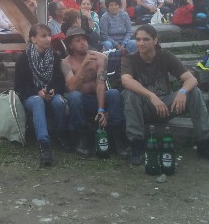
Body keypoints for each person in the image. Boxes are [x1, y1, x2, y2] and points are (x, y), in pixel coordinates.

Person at [120, 24, 209, 165]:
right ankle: (137, 146)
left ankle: (205, 144)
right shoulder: (130, 59)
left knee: (194, 92)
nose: (141, 43)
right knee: (130, 93)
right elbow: (126, 81)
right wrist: (151, 96)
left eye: (145, 39)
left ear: (155, 40)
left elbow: (192, 79)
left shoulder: (166, 56)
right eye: (138, 39)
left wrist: (182, 91)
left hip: (166, 105)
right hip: (143, 107)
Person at [61, 26, 128, 158]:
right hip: (82, 101)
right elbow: (72, 87)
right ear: (70, 45)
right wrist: (84, 66)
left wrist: (101, 110)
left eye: (84, 39)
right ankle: (82, 139)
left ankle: (118, 139)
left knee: (114, 93)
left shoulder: (101, 57)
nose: (83, 43)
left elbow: (101, 83)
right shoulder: (65, 63)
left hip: (99, 97)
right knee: (74, 96)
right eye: (78, 40)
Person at [14, 24, 68, 167]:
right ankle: (44, 144)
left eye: (49, 35)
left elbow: (61, 83)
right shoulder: (24, 58)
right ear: (33, 39)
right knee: (38, 101)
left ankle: (61, 135)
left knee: (59, 102)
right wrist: (37, 92)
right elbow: (19, 87)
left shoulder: (55, 56)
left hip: (50, 94)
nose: (48, 39)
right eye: (43, 36)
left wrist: (53, 91)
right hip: (31, 96)